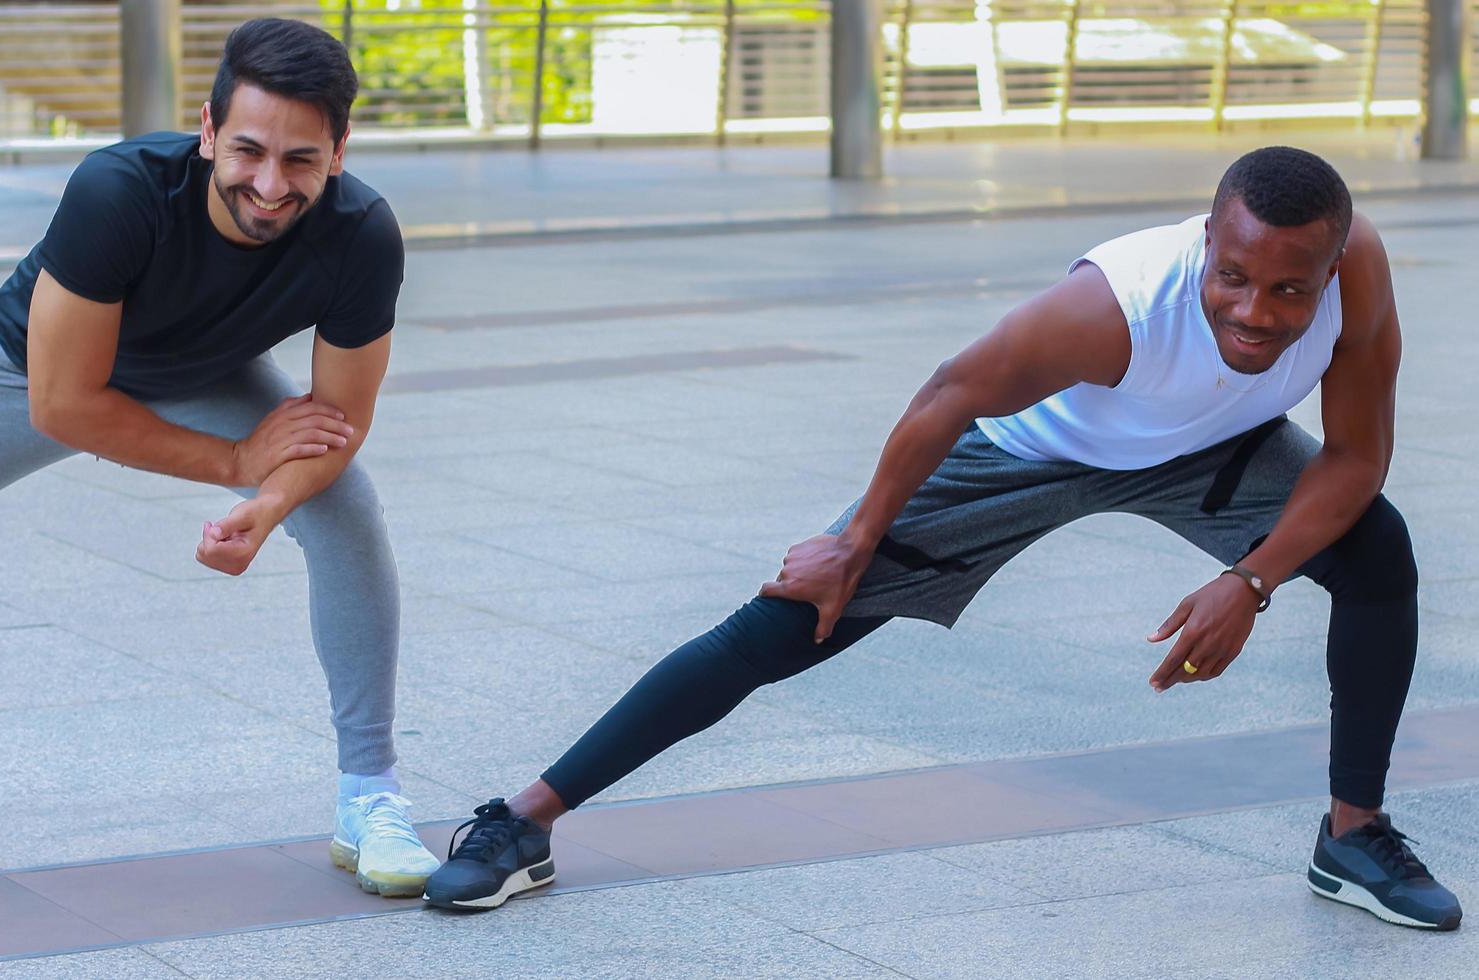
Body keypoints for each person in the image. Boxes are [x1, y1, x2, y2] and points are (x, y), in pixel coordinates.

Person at [422, 146, 1462, 931]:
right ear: (1207, 243)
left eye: (1291, 288)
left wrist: (1250, 578)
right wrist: (858, 535)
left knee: (1378, 553)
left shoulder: (1357, 272)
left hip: (1209, 452)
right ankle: (525, 816)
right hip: (1026, 450)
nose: (1257, 309)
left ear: (1332, 264)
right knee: (790, 624)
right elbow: (950, 393)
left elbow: (1357, 457)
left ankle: (1351, 832)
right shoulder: (1108, 309)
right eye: (1234, 277)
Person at [0, 18, 439, 898]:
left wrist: (271, 500)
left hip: (202, 373)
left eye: (299, 160)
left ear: (338, 152)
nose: (268, 184)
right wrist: (234, 465)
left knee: (345, 510)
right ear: (208, 131)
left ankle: (369, 798)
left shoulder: (361, 233)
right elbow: (63, 404)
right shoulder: (120, 190)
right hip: (22, 371)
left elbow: (336, 419)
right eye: (248, 149)